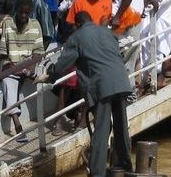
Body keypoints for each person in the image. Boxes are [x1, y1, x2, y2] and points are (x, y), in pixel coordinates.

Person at [40, 11, 134, 177]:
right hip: (121, 81)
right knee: (121, 126)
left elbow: (63, 64)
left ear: (76, 24)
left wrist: (50, 75)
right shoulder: (107, 32)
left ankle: (97, 172)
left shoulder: (76, 38)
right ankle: (125, 165)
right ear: (91, 20)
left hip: (102, 86)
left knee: (102, 130)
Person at [0, 0, 43, 143]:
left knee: (46, 78)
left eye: (26, 13)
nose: (23, 15)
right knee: (7, 82)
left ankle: (45, 118)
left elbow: (38, 51)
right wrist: (10, 67)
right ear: (16, 11)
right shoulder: (8, 24)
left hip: (30, 64)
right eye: (21, 12)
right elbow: (3, 53)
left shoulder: (35, 25)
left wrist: (30, 69)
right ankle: (18, 126)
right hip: (13, 66)